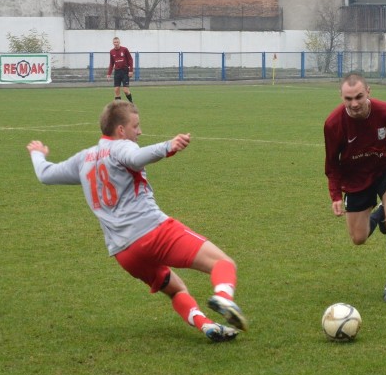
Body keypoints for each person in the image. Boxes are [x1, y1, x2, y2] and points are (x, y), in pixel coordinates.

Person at [27, 100, 247, 342]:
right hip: (153, 232)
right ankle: (224, 298)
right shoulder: (121, 147)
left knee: (176, 290)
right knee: (223, 264)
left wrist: (38, 153)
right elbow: (137, 157)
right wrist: (168, 146)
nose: (139, 131)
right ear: (121, 130)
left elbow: (45, 175)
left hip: (125, 252)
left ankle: (206, 326)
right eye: (136, 126)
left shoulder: (84, 158)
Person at [324, 73, 386, 304]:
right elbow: (332, 162)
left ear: (368, 92)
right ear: (341, 96)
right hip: (355, 178)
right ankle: (379, 213)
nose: (354, 103)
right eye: (348, 98)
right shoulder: (333, 124)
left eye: (359, 96)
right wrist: (335, 195)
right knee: (358, 239)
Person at [107, 37, 134, 103]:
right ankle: (118, 107)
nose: (116, 44)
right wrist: (109, 73)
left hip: (125, 71)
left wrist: (131, 70)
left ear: (119, 42)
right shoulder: (111, 51)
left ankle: (131, 102)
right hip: (117, 72)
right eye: (114, 42)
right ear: (113, 43)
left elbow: (130, 59)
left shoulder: (124, 49)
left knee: (125, 90)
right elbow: (111, 63)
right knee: (116, 90)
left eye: (117, 42)